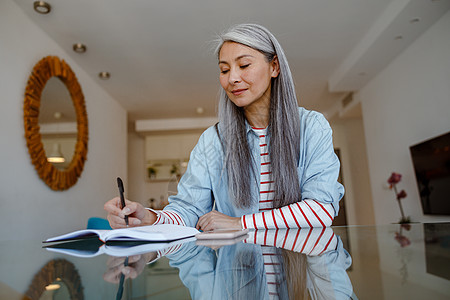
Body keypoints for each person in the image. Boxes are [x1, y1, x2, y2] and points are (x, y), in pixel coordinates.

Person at [104, 23, 344, 231]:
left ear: (274, 67)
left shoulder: (312, 127)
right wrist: (149, 217)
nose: (232, 79)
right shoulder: (213, 141)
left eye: (244, 65)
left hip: (302, 274)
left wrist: (240, 223)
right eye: (224, 70)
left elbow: (320, 209)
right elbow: (189, 211)